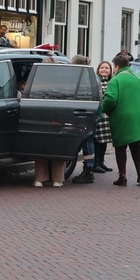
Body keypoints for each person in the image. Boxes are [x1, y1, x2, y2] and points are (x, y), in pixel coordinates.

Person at [101, 53, 140, 186]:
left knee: (120, 145)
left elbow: (111, 99)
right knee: (135, 144)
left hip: (124, 115)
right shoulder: (138, 77)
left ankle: (122, 177)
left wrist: (104, 109)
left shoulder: (116, 80)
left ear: (117, 66)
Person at [32, 57, 65, 187]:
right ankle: (58, 179)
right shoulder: (61, 82)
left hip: (40, 118)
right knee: (58, 148)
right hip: (56, 117)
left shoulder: (37, 79)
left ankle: (39, 179)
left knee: (41, 148)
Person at [71, 54, 97, 184]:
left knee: (87, 142)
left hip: (86, 113)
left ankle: (88, 171)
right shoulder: (91, 75)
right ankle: (89, 169)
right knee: (89, 141)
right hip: (91, 112)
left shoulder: (84, 77)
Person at [93, 61, 114, 172]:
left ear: (110, 70)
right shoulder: (96, 81)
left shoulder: (112, 82)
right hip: (99, 115)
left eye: (107, 68)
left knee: (105, 140)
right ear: (98, 69)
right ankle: (95, 163)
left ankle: (101, 162)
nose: (104, 70)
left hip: (108, 117)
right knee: (97, 140)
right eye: (102, 68)